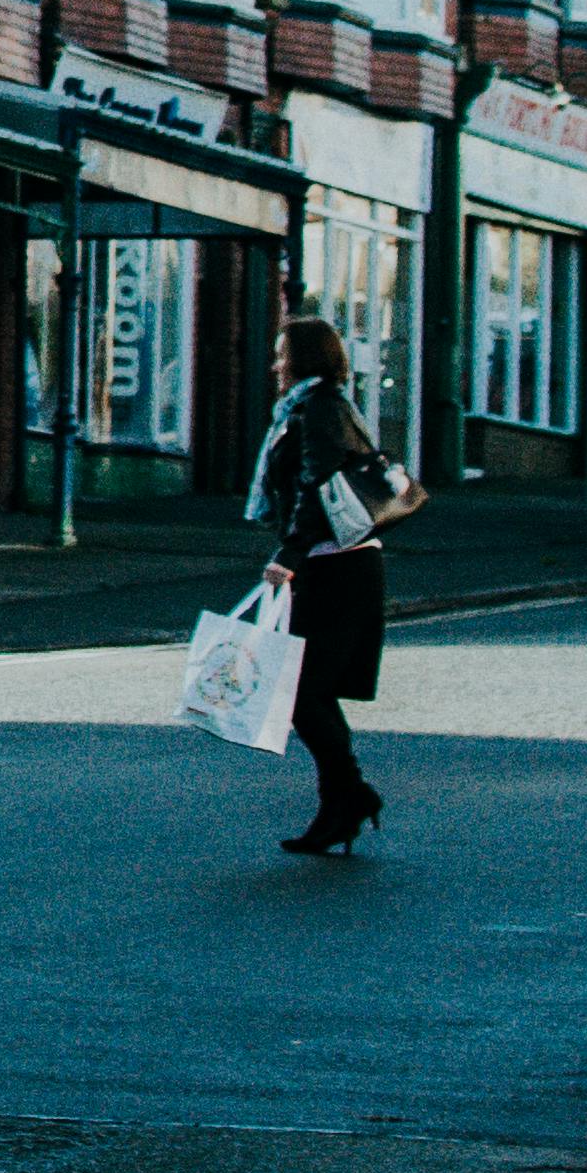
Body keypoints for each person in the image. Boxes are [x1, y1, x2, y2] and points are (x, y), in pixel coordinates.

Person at [246, 316, 397, 857]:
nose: (276, 365)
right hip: (336, 563)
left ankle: (349, 797)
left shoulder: (320, 410)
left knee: (305, 692)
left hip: (336, 566)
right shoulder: (316, 407)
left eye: (283, 353)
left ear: (306, 358)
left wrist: (291, 552)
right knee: (308, 692)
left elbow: (318, 483)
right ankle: (344, 801)